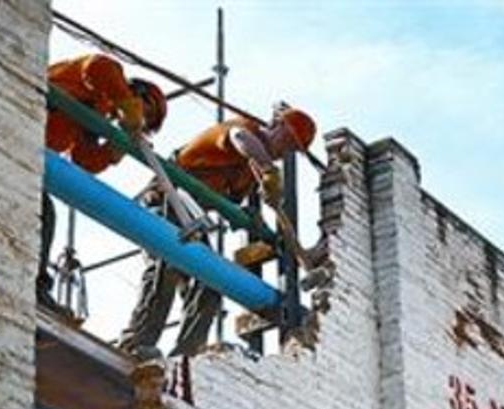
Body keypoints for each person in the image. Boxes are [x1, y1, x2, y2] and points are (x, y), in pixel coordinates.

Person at [117, 104, 316, 357]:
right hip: (164, 199)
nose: (283, 152)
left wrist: (256, 220)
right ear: (276, 126)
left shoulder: (250, 172)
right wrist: (268, 170)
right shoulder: (245, 130)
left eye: (292, 150)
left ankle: (185, 358)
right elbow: (240, 139)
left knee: (209, 283)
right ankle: (136, 342)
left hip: (189, 216)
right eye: (287, 142)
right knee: (168, 264)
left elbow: (236, 206)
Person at [38, 54, 167, 311]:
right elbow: (97, 66)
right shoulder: (104, 79)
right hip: (21, 119)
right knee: (43, 213)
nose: (140, 120)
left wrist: (115, 148)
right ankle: (35, 289)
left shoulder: (96, 115)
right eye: (145, 111)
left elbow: (83, 160)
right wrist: (127, 106)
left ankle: (35, 287)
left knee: (43, 214)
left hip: (31, 156)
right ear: (137, 93)